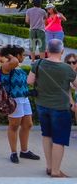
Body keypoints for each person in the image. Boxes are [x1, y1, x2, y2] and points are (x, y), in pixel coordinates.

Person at [29, 38, 77, 177]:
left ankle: (49, 167)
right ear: (62, 51)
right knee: (59, 140)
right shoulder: (67, 68)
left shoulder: (38, 63)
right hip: (60, 108)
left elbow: (29, 81)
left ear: (47, 51)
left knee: (46, 135)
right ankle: (56, 171)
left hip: (42, 106)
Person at [0, 45, 40, 164]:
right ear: (16, 56)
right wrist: (10, 55)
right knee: (14, 126)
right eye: (22, 54)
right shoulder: (7, 66)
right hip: (14, 100)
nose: (24, 56)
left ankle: (24, 151)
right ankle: (13, 152)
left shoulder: (18, 67)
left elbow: (23, 84)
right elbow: (15, 61)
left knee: (28, 124)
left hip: (24, 99)